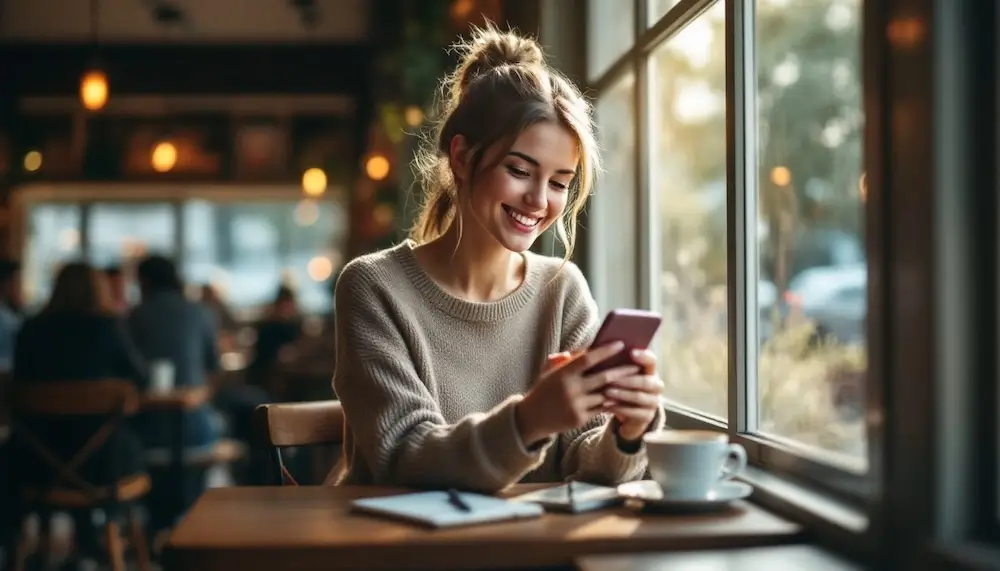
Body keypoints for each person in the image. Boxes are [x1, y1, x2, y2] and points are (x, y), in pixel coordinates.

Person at [328, 26, 665, 492]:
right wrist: (529, 420)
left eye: (559, 182)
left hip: (529, 550)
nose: (538, 200)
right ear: (463, 158)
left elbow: (587, 459)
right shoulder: (373, 287)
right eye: (520, 170)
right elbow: (405, 455)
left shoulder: (562, 291)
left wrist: (627, 434)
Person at [3, 262, 146, 565]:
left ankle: (23, 546)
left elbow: (17, 388)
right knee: (128, 444)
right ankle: (94, 539)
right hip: (103, 466)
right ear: (100, 290)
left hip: (37, 463)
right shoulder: (110, 327)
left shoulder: (32, 328)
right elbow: (141, 378)